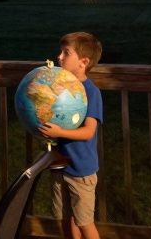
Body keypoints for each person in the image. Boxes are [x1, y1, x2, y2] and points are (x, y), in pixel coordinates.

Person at [39, 32, 105, 239]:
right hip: (59, 165)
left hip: (81, 170)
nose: (59, 57)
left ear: (83, 62)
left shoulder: (90, 92)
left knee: (84, 223)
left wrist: (59, 132)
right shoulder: (60, 87)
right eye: (60, 52)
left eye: (66, 53)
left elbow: (89, 132)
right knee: (64, 220)